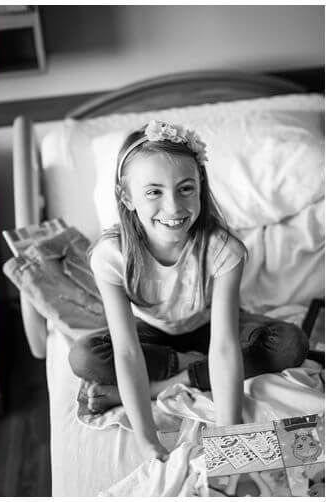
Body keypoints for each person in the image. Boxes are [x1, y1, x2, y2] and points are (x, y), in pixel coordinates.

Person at [68, 120, 308, 462]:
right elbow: (126, 351)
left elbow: (224, 345)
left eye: (185, 189)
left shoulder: (223, 249)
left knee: (290, 343)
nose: (174, 208)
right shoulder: (111, 257)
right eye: (154, 192)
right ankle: (189, 368)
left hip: (210, 328)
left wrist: (230, 433)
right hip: (149, 334)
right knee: (84, 355)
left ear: (200, 187)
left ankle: (163, 386)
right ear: (127, 197)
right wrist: (148, 440)